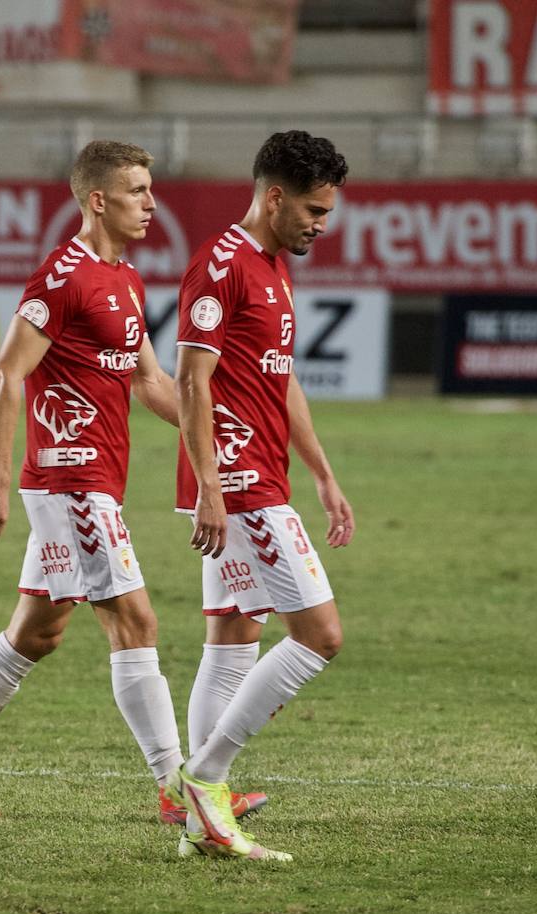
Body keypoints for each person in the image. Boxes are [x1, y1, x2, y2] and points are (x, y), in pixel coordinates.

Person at [0, 141, 193, 829]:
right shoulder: (63, 277)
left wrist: (217, 429)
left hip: (93, 482)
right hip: (71, 480)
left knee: (38, 632)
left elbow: (147, 379)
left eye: (151, 190)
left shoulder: (124, 278)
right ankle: (179, 793)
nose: (152, 203)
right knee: (136, 621)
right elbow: (5, 374)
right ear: (98, 200)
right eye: (137, 191)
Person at [171, 129, 353, 862]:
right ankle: (206, 778)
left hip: (256, 477)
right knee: (320, 635)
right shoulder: (221, 264)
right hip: (237, 484)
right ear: (273, 196)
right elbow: (190, 378)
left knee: (234, 638)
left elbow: (279, 379)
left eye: (327, 211)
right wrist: (213, 485)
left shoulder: (274, 265)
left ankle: (201, 818)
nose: (320, 223)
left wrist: (321, 470)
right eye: (312, 209)